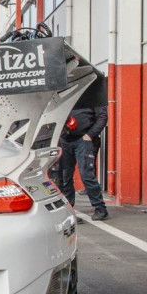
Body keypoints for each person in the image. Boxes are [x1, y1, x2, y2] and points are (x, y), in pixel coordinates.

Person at [56, 93, 109, 221]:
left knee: (86, 175)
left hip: (83, 140)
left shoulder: (93, 96)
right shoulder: (63, 95)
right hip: (65, 139)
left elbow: (102, 117)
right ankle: (69, 211)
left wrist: (90, 135)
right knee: (65, 176)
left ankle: (100, 209)